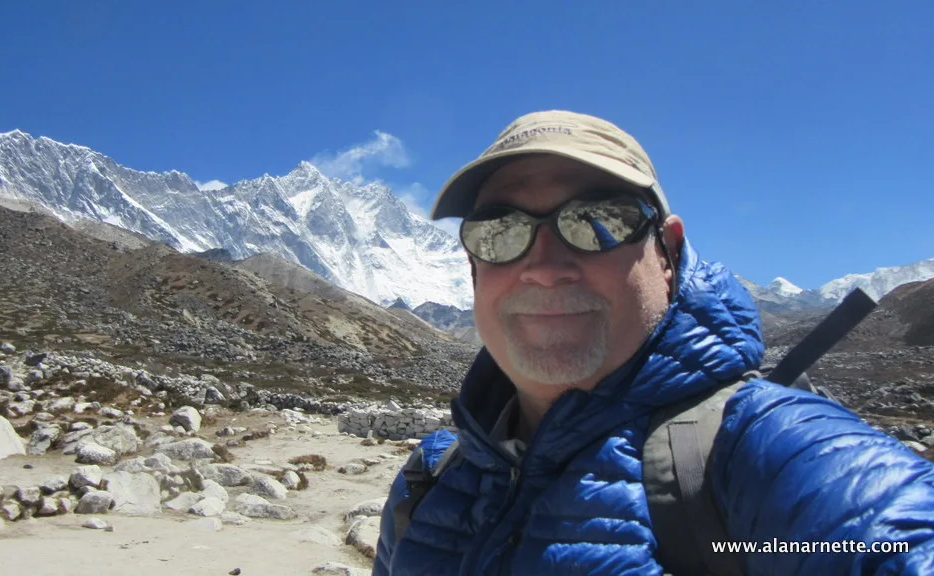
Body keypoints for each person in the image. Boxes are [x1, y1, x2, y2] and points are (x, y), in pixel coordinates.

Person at [371, 110, 934, 575]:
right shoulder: (430, 481)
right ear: (473, 268)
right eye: (501, 231)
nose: (544, 268)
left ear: (667, 252)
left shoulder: (758, 454)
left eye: (598, 221)